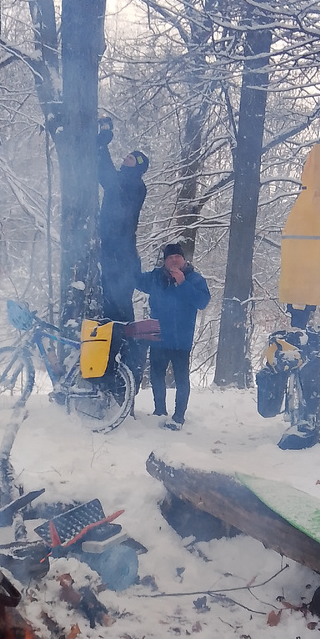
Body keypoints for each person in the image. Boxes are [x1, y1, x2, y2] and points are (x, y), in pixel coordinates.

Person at [136, 244, 210, 429]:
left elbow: (202, 302)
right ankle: (159, 411)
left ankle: (179, 417)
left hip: (181, 340)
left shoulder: (194, 279)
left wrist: (183, 284)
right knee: (156, 376)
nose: (174, 260)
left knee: (182, 380)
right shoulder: (156, 277)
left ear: (184, 260)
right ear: (165, 261)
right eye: (170, 257)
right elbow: (134, 279)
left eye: (178, 256)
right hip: (159, 338)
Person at [97, 118, 148, 324]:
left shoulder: (136, 185)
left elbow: (109, 180)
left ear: (138, 167)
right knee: (109, 299)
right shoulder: (124, 180)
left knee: (118, 301)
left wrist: (102, 145)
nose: (126, 157)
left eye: (132, 158)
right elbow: (106, 176)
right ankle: (116, 344)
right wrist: (101, 146)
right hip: (115, 248)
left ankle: (125, 347)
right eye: (127, 155)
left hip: (121, 252)